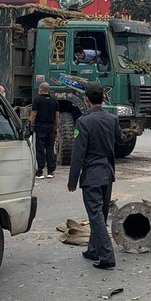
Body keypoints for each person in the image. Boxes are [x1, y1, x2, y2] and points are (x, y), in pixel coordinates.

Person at [67, 83, 124, 270]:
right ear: (103, 98)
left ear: (87, 100)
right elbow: (120, 140)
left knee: (96, 216)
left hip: (92, 175)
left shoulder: (83, 122)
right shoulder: (112, 119)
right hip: (107, 174)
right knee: (100, 214)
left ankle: (107, 256)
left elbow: (78, 154)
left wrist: (73, 179)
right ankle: (93, 249)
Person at [30, 82, 59, 179]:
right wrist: (56, 127)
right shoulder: (54, 101)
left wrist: (29, 124)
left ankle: (40, 171)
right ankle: (51, 171)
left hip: (40, 128)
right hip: (50, 128)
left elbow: (34, 113)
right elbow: (57, 116)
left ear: (41, 89)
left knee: (40, 149)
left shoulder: (37, 100)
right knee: (50, 149)